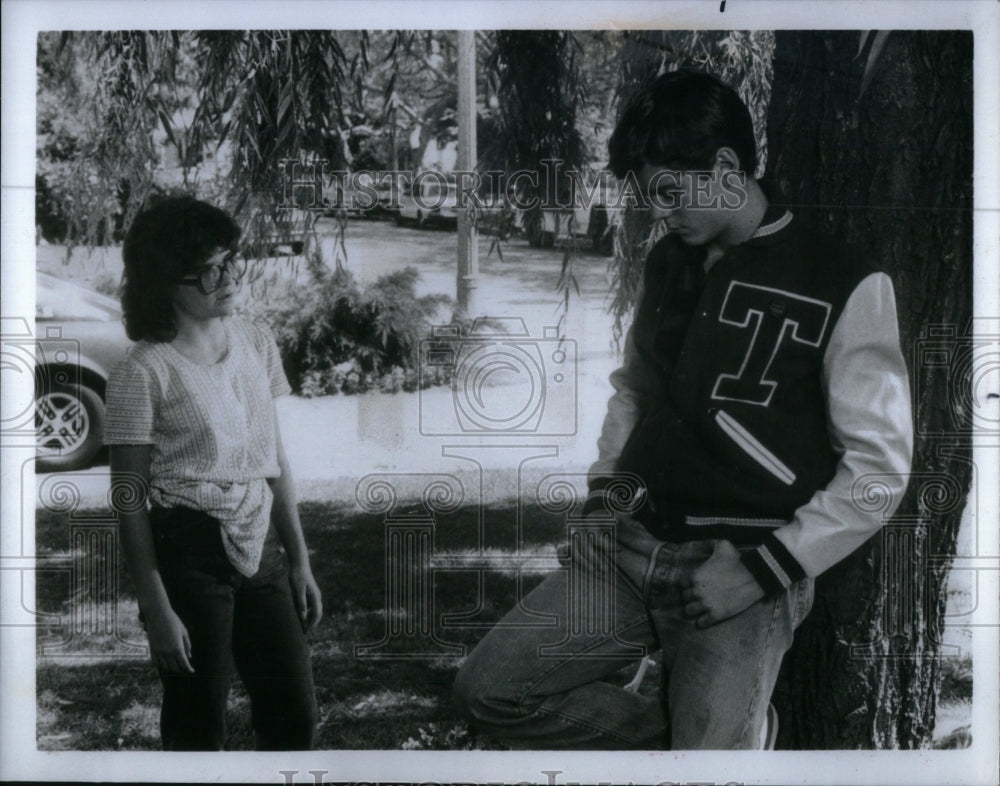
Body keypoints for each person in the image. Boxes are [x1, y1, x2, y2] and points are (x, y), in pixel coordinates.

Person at [454, 70, 913, 749]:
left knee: (706, 767)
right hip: (626, 549)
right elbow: (634, 388)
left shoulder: (846, 281)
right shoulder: (670, 261)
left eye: (670, 191)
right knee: (489, 693)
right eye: (649, 196)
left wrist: (763, 570)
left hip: (736, 571)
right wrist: (604, 498)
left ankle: (717, 747)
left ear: (726, 167)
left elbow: (878, 471)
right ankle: (713, 743)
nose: (659, 212)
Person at [105, 196, 322, 751]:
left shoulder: (255, 340)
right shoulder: (143, 370)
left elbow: (274, 457)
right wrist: (156, 608)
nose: (228, 278)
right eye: (209, 270)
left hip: (262, 545)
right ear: (164, 283)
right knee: (198, 724)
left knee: (294, 715)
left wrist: (297, 559)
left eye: (230, 261)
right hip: (189, 552)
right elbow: (129, 499)